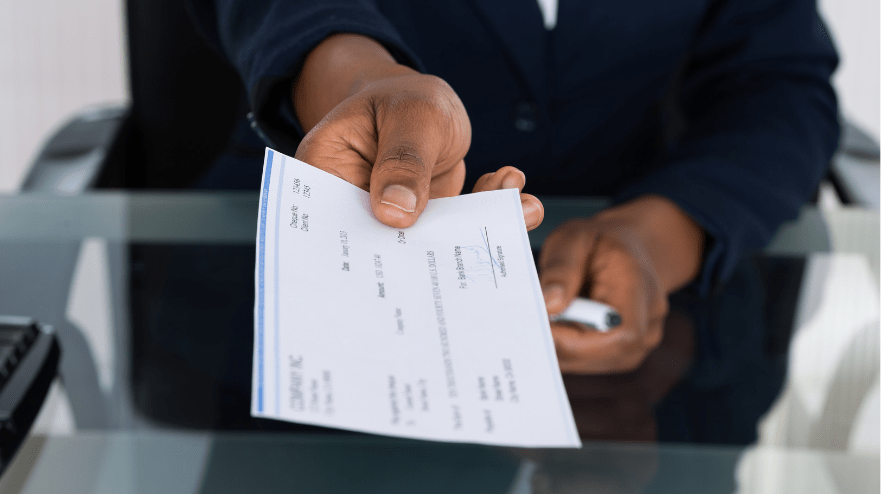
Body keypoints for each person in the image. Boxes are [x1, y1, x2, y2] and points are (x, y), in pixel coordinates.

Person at [187, 0, 839, 374]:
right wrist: (358, 82)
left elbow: (779, 82)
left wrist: (656, 234)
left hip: (652, 353)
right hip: (310, 296)